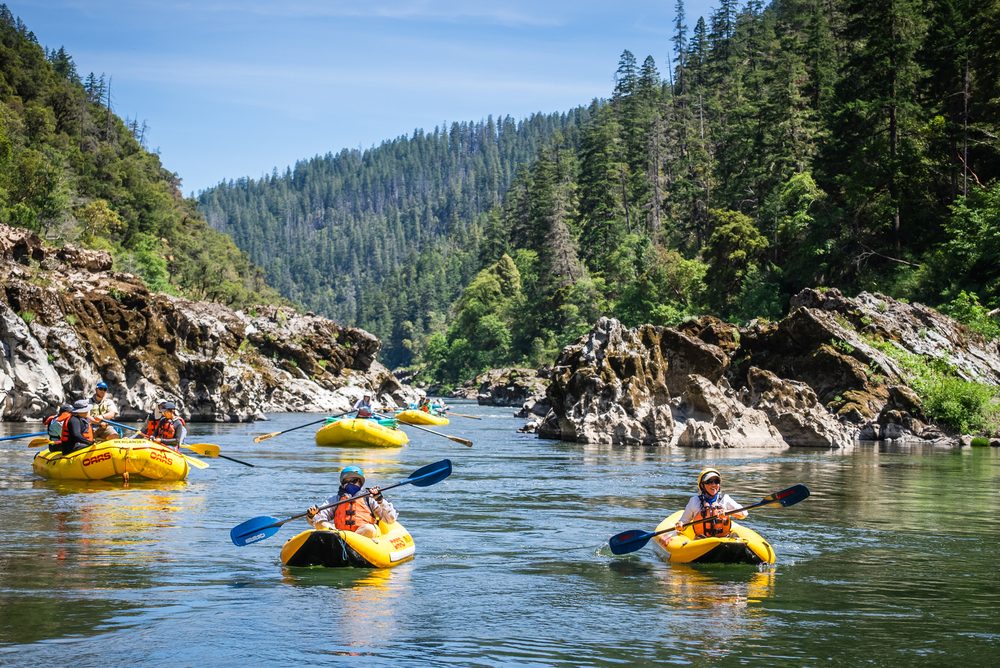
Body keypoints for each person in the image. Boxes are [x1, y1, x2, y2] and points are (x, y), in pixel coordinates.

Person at [307, 465, 398, 539]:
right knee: (321, 524)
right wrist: (312, 515)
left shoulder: (369, 498)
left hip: (363, 536)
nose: (350, 484)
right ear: (342, 483)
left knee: (369, 528)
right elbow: (319, 518)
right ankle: (339, 542)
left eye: (353, 481)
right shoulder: (336, 499)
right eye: (346, 481)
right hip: (340, 535)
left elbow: (390, 520)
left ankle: (346, 544)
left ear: (360, 482)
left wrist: (380, 500)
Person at [675, 468, 748, 538]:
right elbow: (683, 521)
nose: (714, 484)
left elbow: (744, 514)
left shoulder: (725, 499)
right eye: (709, 482)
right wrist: (680, 525)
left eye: (716, 481)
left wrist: (728, 512)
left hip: (723, 539)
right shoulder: (694, 501)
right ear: (702, 485)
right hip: (701, 541)